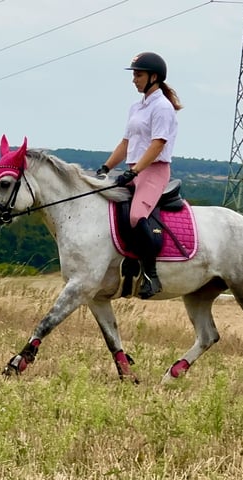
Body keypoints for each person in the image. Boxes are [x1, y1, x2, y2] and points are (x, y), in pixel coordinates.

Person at [96, 51, 183, 299]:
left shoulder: (163, 107)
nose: (134, 79)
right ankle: (124, 265)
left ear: (153, 77)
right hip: (134, 169)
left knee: (136, 216)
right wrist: (106, 167)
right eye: (134, 74)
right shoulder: (136, 107)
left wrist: (134, 171)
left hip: (153, 171)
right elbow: (126, 142)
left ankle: (151, 275)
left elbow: (157, 144)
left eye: (138, 75)